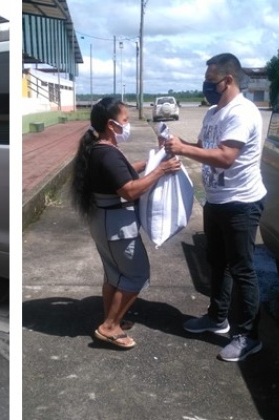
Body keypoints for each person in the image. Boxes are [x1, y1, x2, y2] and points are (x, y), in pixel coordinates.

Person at [163, 53, 267, 362]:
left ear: (229, 80)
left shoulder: (242, 113)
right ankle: (217, 318)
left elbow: (224, 157)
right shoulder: (213, 112)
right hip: (217, 201)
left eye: (211, 81)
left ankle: (248, 336)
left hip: (242, 203)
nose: (207, 86)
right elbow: (203, 145)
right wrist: (177, 142)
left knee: (243, 269)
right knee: (217, 262)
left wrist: (185, 150)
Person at [69, 97, 181, 349]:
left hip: (105, 223)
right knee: (136, 275)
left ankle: (112, 317)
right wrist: (161, 171)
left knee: (114, 274)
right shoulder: (107, 153)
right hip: (116, 227)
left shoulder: (101, 149)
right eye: (125, 120)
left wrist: (155, 162)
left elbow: (126, 170)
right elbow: (129, 190)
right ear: (111, 124)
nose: (127, 125)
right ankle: (109, 327)